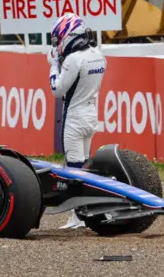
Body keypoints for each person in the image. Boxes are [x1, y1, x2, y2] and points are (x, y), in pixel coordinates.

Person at [46, 12, 107, 229]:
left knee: (73, 169)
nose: (56, 45)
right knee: (84, 166)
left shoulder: (73, 59)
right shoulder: (97, 55)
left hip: (74, 118)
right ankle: (85, 212)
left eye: (58, 39)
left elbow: (57, 89)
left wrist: (54, 65)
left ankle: (77, 217)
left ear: (68, 35)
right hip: (91, 116)